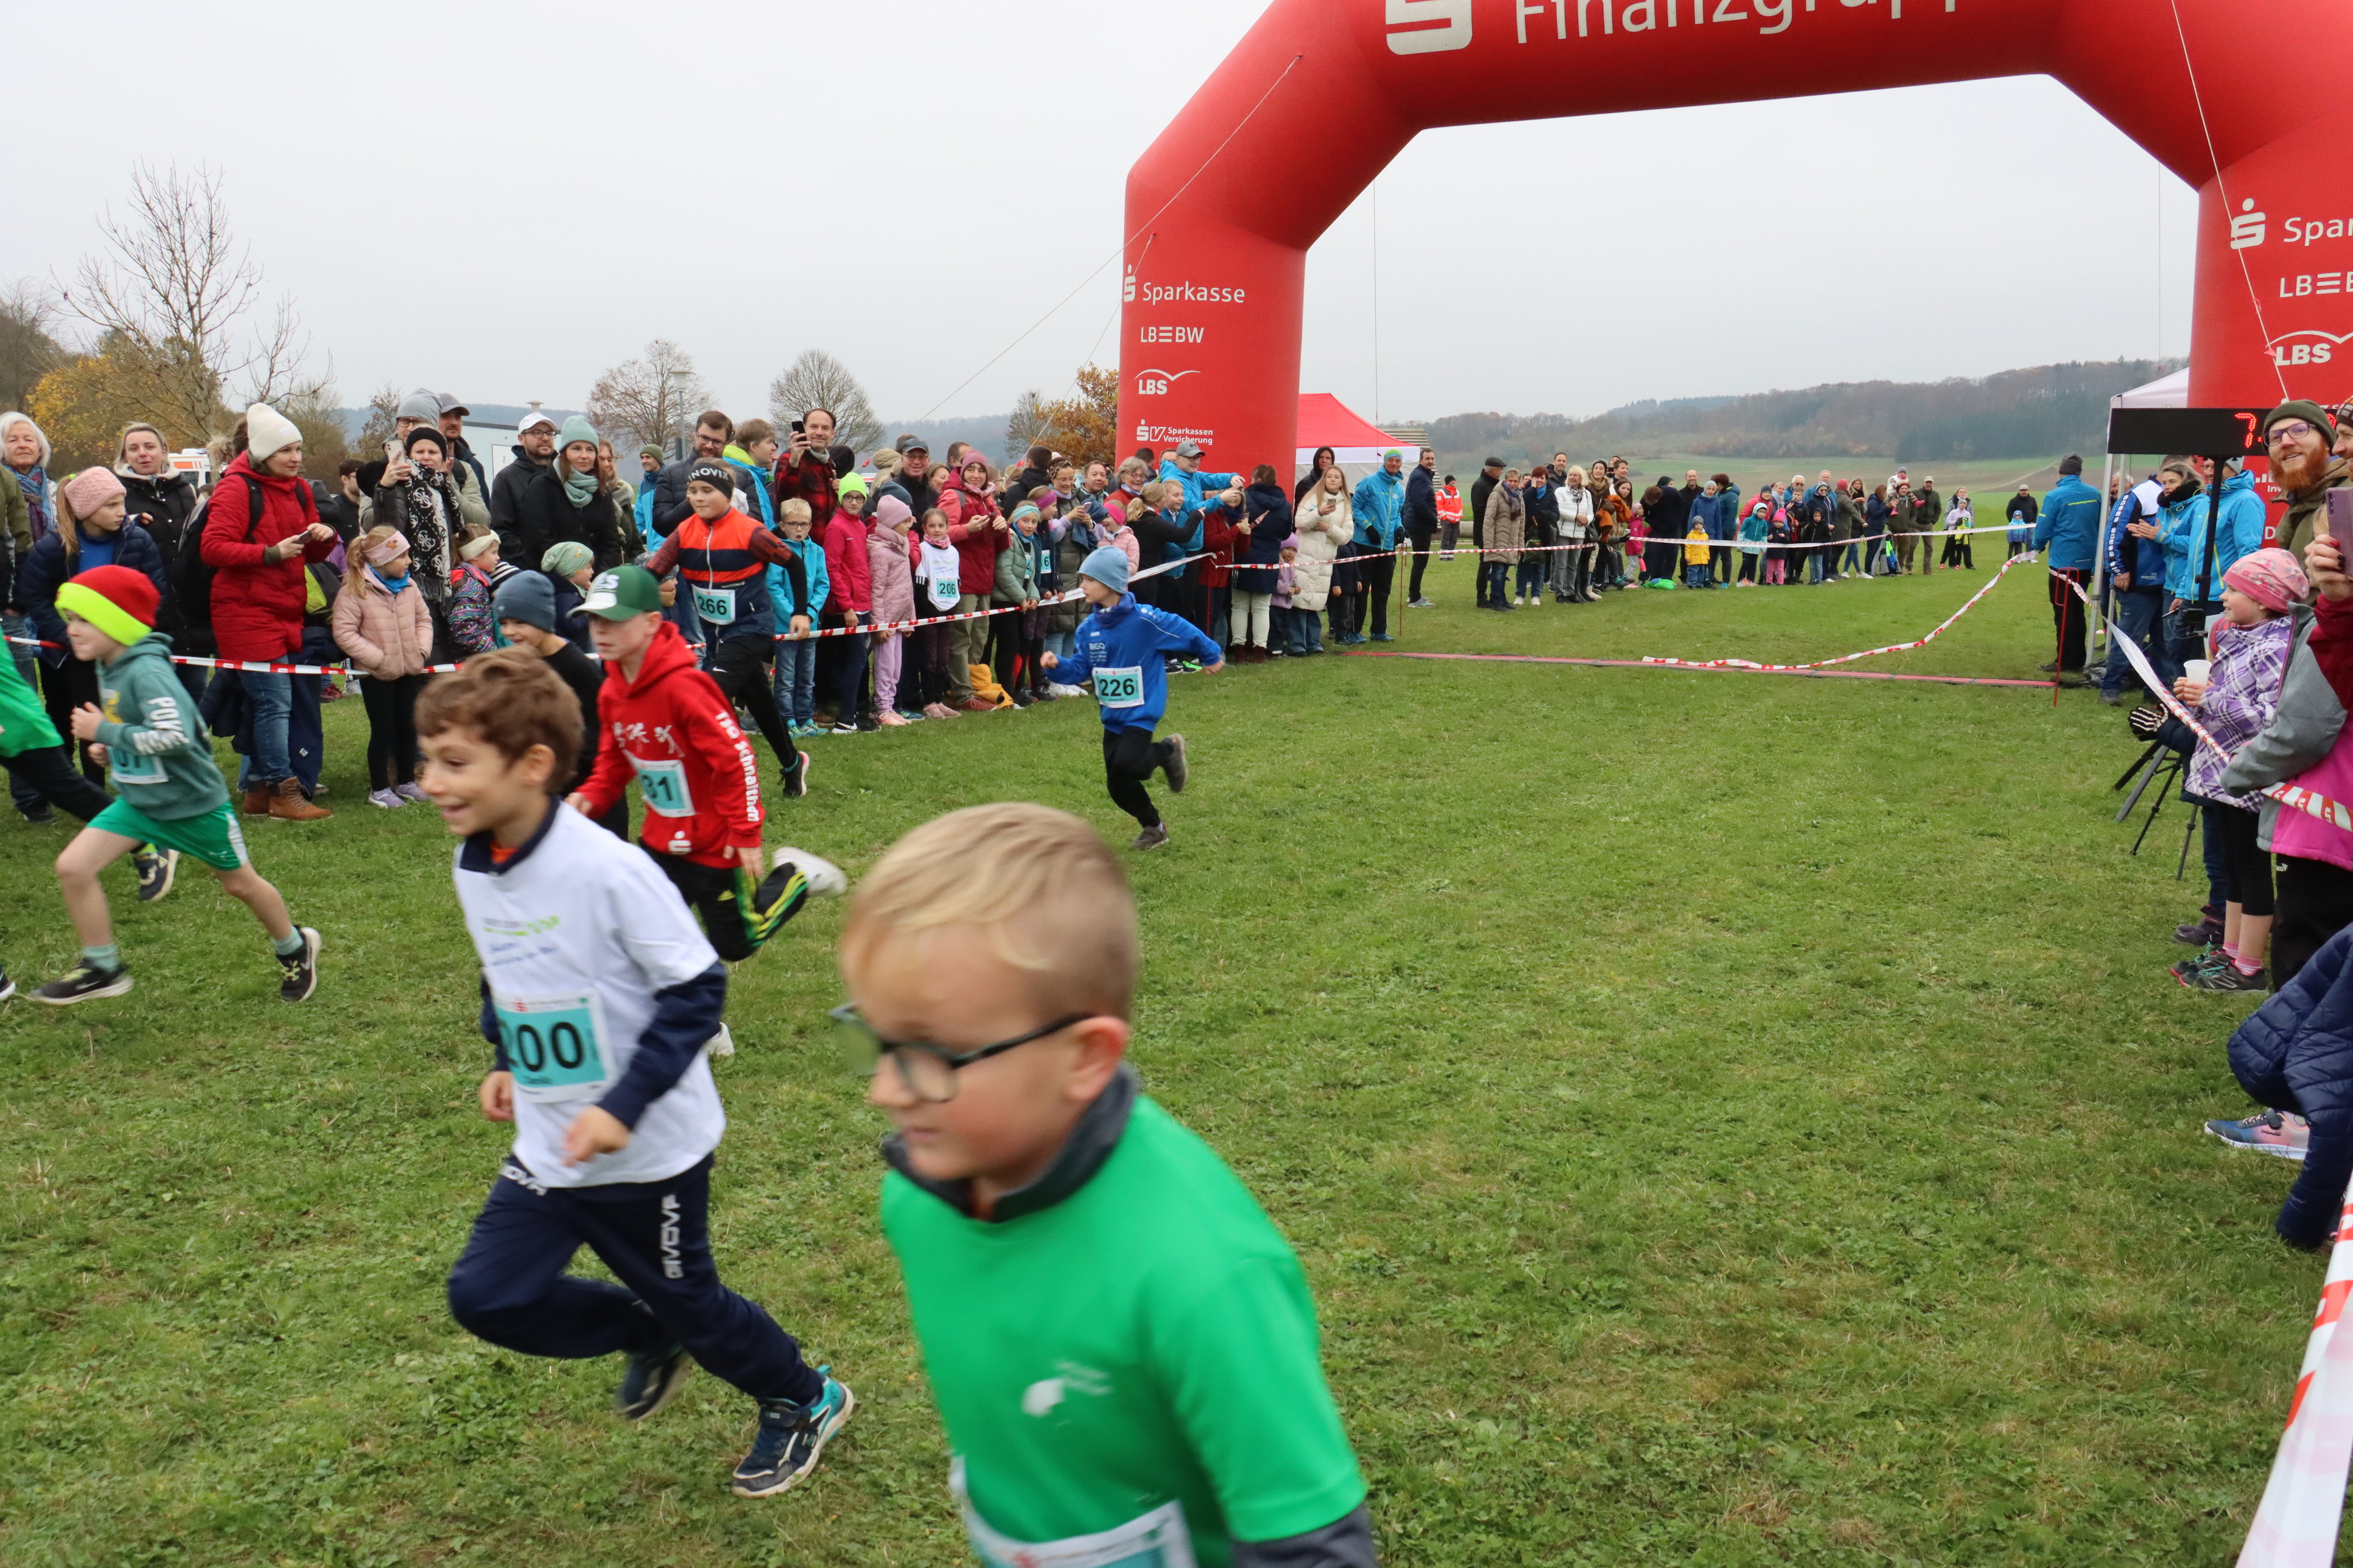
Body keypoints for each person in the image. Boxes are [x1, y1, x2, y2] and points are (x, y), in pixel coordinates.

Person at [844, 802, 1374, 1567]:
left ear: (1086, 1057)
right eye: (877, 1039)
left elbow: (1311, 1548)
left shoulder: (1201, 1274)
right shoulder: (919, 1198)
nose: (886, 1091)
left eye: (933, 1053)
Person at [421, 649, 853, 1501]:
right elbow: (504, 970)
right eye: (429, 759)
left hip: (649, 1149)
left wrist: (621, 1105)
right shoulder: (476, 859)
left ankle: (805, 1396)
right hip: (551, 1142)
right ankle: (646, 1329)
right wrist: (506, 1056)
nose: (431, 781)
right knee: (487, 1296)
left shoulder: (609, 870)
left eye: (455, 762)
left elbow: (696, 991)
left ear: (532, 765)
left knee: (694, 1300)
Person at [29, 564, 321, 1006]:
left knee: (241, 885)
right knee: (73, 867)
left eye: (84, 619)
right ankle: (102, 966)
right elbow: (142, 731)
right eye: (69, 619)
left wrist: (105, 732)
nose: (72, 629)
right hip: (140, 804)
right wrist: (112, 750)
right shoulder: (111, 664)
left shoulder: (146, 672)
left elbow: (177, 737)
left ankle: (294, 946)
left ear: (116, 621)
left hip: (192, 806)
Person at [566, 565, 833, 961]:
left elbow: (736, 757)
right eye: (594, 619)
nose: (600, 630)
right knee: (646, 937)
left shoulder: (686, 689)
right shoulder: (611, 694)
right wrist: (586, 798)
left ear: (651, 623)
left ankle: (796, 876)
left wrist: (745, 832)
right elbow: (614, 762)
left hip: (715, 844)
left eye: (614, 620)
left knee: (736, 943)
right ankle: (691, 1001)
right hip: (661, 842)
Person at [2165, 548, 2304, 994]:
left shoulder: (2276, 649)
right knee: (2231, 866)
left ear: (2263, 600)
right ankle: (2229, 952)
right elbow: (2223, 701)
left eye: (2233, 590)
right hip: (2222, 775)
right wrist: (2194, 698)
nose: (2222, 597)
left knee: (2251, 870)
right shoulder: (2239, 639)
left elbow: (2274, 718)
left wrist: (2211, 697)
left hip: (2249, 777)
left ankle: (2249, 969)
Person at [1038, 547, 1222, 851]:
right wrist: (1057, 666)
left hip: (1141, 710)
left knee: (1131, 764)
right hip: (1113, 716)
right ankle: (1155, 828)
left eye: (1088, 579)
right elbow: (1081, 669)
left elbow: (1185, 630)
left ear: (1110, 583)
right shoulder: (1088, 630)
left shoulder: (1145, 620)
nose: (1082, 585)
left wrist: (1210, 654)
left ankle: (1168, 750)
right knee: (1118, 785)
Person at [202, 404, 335, 821]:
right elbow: (213, 547)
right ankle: (283, 792)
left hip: (284, 610)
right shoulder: (236, 488)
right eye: (285, 451)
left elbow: (309, 553)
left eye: (298, 449)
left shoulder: (300, 490)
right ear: (263, 453)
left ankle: (258, 793)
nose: (296, 458)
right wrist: (269, 553)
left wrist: (323, 537)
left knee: (265, 703)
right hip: (243, 612)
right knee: (274, 703)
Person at [643, 463, 811, 786]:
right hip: (714, 633)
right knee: (760, 703)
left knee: (710, 695)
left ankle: (708, 775)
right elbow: (653, 572)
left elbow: (794, 563)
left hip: (751, 627)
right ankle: (793, 764)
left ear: (727, 495)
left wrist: (800, 612)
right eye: (693, 491)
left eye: (707, 491)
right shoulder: (684, 533)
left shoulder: (751, 532)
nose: (698, 498)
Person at [18, 465, 169, 786]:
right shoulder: (54, 546)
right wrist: (67, 636)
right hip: (71, 652)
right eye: (111, 505)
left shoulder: (138, 540)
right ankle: (77, 786)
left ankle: (123, 782)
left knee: (117, 715)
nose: (122, 512)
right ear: (86, 510)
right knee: (72, 716)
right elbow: (35, 596)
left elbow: (156, 592)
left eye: (122, 503)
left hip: (123, 651)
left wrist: (128, 637)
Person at [493, 570, 622, 838]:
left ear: (541, 619)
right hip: (546, 788)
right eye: (504, 623)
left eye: (519, 622)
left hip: (587, 792)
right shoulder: (523, 662)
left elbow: (604, 726)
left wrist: (565, 760)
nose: (510, 631)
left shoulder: (576, 666)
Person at [333, 526, 435, 810]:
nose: (408, 562)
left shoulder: (409, 586)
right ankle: (379, 788)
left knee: (408, 726)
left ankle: (406, 781)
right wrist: (377, 659)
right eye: (402, 556)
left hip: (409, 669)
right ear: (382, 560)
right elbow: (344, 632)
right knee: (384, 730)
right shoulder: (354, 591)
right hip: (376, 675)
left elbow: (424, 620)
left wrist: (421, 651)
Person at [2158, 454, 2265, 675]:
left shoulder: (2246, 501)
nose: (2207, 472)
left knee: (2215, 660)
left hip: (2220, 598)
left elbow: (2248, 553)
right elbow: (2195, 553)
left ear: (2232, 468)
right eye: (2205, 466)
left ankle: (2209, 697)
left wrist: (2239, 594)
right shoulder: (2205, 501)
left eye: (2214, 467)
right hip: (2192, 596)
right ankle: (2182, 697)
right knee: (2178, 653)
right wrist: (2183, 591)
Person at [2100, 458, 2181, 706]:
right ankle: (2111, 686)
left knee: (2164, 641)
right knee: (2130, 638)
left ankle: (2157, 690)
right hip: (2138, 584)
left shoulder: (2190, 499)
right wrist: (2118, 570)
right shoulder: (2139, 494)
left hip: (2169, 584)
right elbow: (2114, 533)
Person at [939, 453, 1008, 712]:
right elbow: (939, 533)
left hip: (984, 579)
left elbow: (1000, 546)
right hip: (962, 578)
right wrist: (967, 529)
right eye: (971, 469)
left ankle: (974, 687)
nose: (976, 475)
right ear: (962, 471)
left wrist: (1003, 528)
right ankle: (961, 693)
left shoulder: (987, 499)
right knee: (961, 638)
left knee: (979, 637)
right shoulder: (953, 496)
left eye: (981, 470)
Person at [520, 417, 627, 575]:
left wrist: (599, 577)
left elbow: (610, 544)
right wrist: (574, 576)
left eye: (590, 450)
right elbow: (538, 541)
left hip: (595, 578)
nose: (584, 455)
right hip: (553, 578)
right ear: (565, 453)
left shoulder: (601, 491)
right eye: (576, 449)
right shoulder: (542, 487)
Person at [2031, 455, 2104, 685]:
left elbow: (2043, 528)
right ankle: (2079, 656)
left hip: (2063, 564)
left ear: (2061, 473)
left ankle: (2065, 660)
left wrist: (2036, 546)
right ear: (2079, 472)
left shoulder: (2055, 496)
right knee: (2077, 610)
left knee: (2063, 612)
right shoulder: (2095, 494)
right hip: (2086, 563)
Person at [819, 474, 875, 733]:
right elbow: (833, 569)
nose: (854, 502)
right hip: (849, 606)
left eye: (859, 498)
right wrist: (847, 606)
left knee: (859, 660)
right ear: (841, 499)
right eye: (849, 497)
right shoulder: (837, 527)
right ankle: (845, 718)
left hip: (862, 602)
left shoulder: (860, 525)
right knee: (857, 659)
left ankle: (853, 712)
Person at [770, 500, 830, 737]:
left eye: (804, 524)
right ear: (783, 525)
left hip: (811, 627)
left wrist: (810, 614)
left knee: (807, 677)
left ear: (810, 526)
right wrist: (794, 616)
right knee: (786, 678)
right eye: (793, 524)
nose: (799, 529)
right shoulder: (777, 552)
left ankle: (805, 718)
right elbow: (773, 587)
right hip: (785, 628)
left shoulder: (817, 552)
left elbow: (823, 585)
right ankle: (787, 720)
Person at [2266, 400, 2353, 559]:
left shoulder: (2347, 495)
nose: (2285, 442)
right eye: (2275, 438)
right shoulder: (2300, 500)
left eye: (2299, 430)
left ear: (2327, 443)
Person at [867, 494, 919, 725]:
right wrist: (879, 625)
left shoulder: (900, 547)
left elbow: (907, 589)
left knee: (896, 668)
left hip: (899, 620)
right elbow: (876, 591)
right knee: (885, 667)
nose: (910, 525)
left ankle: (890, 705)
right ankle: (882, 709)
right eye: (905, 521)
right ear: (892, 522)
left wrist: (909, 620)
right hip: (886, 622)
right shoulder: (880, 552)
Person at [1232, 465, 1288, 662]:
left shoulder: (1244, 498)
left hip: (1243, 557)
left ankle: (1239, 650)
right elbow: (1286, 534)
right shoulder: (1284, 504)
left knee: (1239, 606)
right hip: (1269, 561)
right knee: (1262, 608)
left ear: (1255, 479)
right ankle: (1259, 651)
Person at [648, 411, 734, 539]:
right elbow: (661, 525)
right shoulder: (670, 475)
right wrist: (692, 502)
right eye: (704, 438)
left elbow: (754, 522)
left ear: (726, 443)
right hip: (687, 549)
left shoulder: (741, 476)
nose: (709, 446)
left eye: (717, 441)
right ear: (695, 436)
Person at [489, 410, 558, 554]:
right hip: (528, 564)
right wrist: (532, 561)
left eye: (549, 433)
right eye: (537, 433)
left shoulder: (563, 474)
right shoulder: (507, 478)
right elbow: (502, 532)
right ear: (522, 439)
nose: (545, 438)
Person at [1480, 469, 1526, 611]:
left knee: (1504, 572)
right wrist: (1489, 544)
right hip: (1498, 540)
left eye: (1515, 481)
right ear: (1505, 480)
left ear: (1519, 482)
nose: (1512, 484)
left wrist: (1520, 545)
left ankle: (1502, 598)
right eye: (1510, 481)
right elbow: (1489, 520)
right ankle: (1496, 601)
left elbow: (1521, 524)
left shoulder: (1520, 498)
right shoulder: (1496, 495)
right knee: (1498, 571)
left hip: (1512, 542)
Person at [1404, 446, 1440, 607]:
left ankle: (1414, 594)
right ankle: (1414, 598)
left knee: (1420, 560)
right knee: (1420, 561)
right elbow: (1419, 503)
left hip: (1419, 522)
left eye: (1432, 458)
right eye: (1427, 459)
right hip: (1419, 524)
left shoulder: (1424, 475)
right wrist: (1433, 518)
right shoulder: (1420, 476)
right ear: (1421, 460)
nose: (1430, 461)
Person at [1941, 489, 1976, 570]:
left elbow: (1970, 517)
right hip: (1952, 531)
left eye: (1964, 492)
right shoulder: (1952, 503)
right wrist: (1952, 524)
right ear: (1957, 493)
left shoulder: (1968, 509)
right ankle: (1950, 564)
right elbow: (1947, 517)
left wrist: (1970, 527)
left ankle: (1968, 565)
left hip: (1964, 532)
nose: (1963, 493)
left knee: (1965, 548)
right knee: (1950, 548)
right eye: (1961, 492)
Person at [2005, 484, 2039, 559]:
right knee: (2018, 542)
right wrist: (2013, 522)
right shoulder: (2014, 501)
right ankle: (2019, 558)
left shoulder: (2032, 500)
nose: (2024, 492)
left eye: (2025, 491)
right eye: (2022, 491)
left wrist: (2034, 521)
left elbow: (2035, 510)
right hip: (2018, 526)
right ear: (2019, 491)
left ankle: (2030, 558)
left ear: (2028, 491)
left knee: (2030, 541)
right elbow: (2009, 512)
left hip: (2030, 525)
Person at [1436, 472, 1464, 560]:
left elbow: (1460, 504)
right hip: (1447, 520)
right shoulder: (1441, 493)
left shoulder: (1457, 492)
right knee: (1446, 538)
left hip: (1457, 520)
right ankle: (1443, 556)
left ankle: (1451, 556)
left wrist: (1460, 515)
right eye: (1452, 480)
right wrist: (1444, 517)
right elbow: (1439, 506)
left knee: (1454, 538)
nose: (1454, 482)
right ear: (1449, 482)